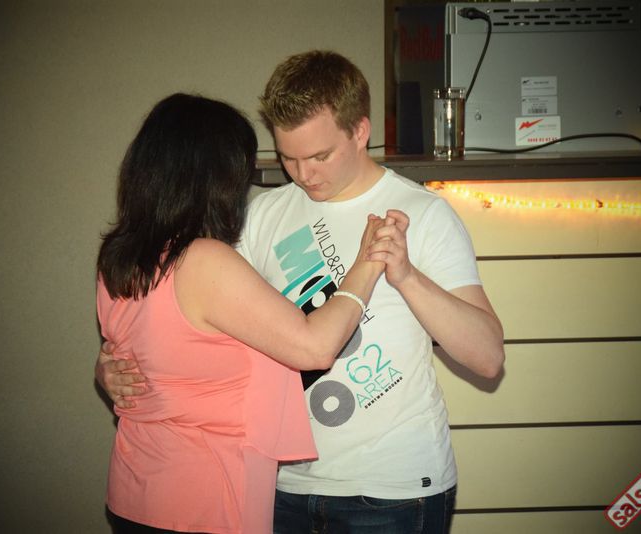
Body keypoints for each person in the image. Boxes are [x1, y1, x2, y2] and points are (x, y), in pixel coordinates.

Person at [98, 52, 505, 533]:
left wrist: (407, 276)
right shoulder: (262, 214)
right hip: (281, 483)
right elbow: (188, 316)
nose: (303, 174)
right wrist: (111, 363)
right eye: (288, 158)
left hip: (389, 488)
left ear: (359, 131)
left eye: (319, 156)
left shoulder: (425, 213)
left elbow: (487, 359)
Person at [95, 92, 388, 534]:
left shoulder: (119, 257)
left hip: (136, 491)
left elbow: (143, 350)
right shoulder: (202, 260)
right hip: (205, 500)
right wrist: (368, 261)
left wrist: (102, 370)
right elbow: (315, 346)